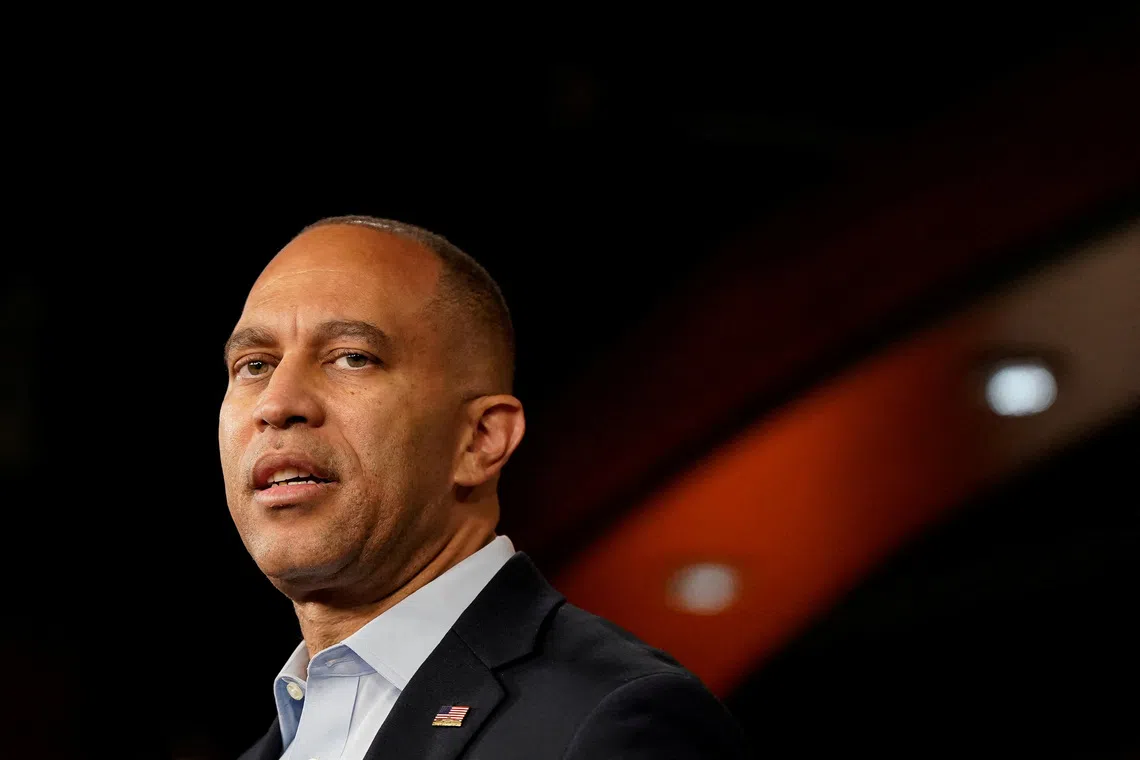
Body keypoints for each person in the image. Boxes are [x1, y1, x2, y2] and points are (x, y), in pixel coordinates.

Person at [220, 216, 748, 759]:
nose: (276, 403)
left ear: (480, 439)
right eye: (254, 365)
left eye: (353, 357)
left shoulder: (619, 719)